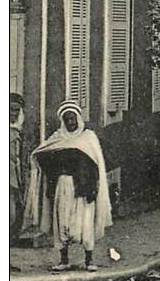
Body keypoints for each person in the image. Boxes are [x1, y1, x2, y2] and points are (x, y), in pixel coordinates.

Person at [26, 101, 113, 272]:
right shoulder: (58, 138)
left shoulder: (88, 138)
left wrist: (93, 187)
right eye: (67, 119)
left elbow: (97, 165)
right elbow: (42, 155)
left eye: (73, 118)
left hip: (83, 187)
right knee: (62, 222)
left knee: (84, 222)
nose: (70, 122)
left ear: (78, 118)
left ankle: (89, 260)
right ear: (63, 121)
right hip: (62, 186)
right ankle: (64, 260)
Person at [10, 93, 25, 245]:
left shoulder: (18, 130)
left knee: (15, 215)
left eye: (16, 110)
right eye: (11, 109)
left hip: (15, 176)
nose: (13, 113)